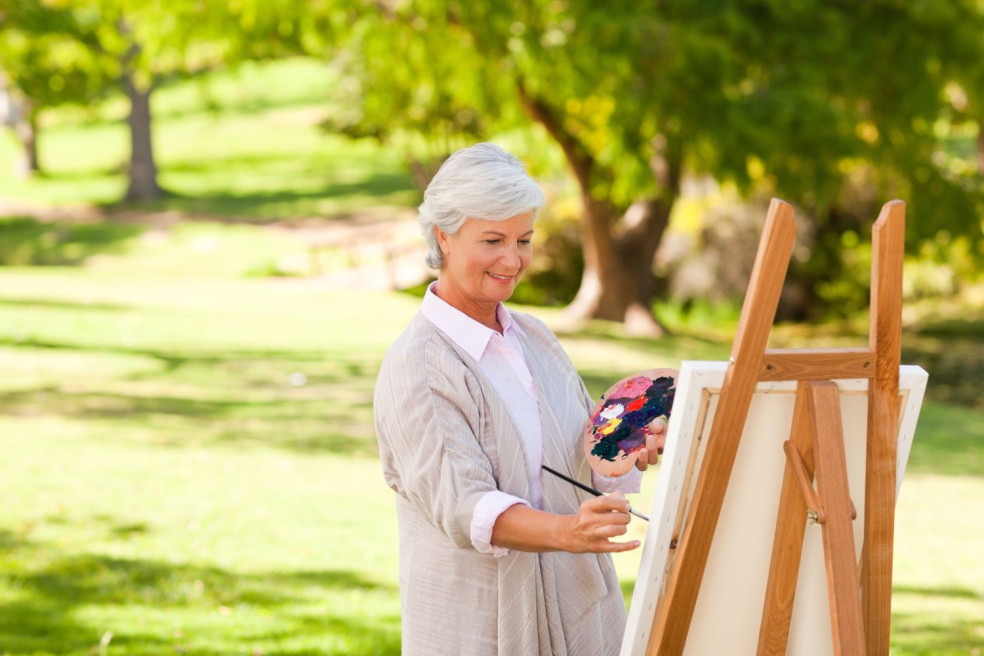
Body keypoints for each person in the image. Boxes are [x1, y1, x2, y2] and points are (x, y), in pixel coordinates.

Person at [373, 143, 666, 656]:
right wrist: (567, 531)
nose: (513, 260)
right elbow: (466, 506)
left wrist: (628, 446)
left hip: (579, 609)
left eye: (524, 239)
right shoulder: (418, 366)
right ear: (443, 235)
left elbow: (584, 458)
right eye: (493, 240)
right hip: (480, 623)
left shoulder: (534, 337)